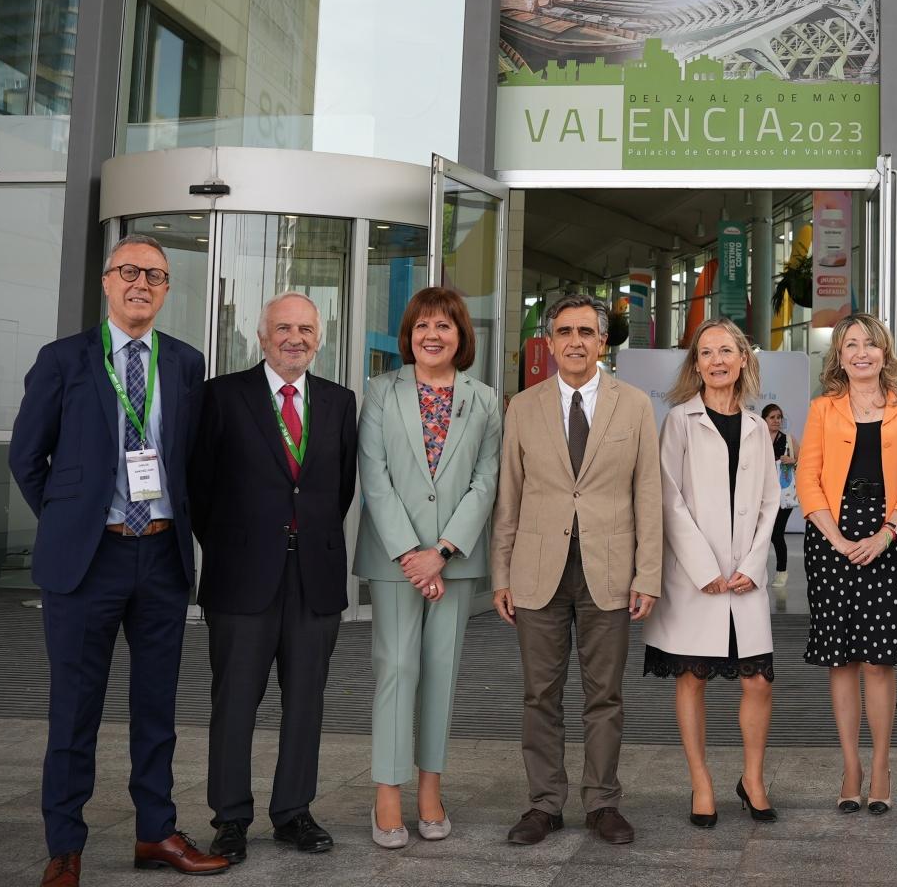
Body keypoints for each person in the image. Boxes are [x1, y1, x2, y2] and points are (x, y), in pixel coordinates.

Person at [9, 234, 229, 887]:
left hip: (160, 558)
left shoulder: (186, 364)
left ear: (166, 290)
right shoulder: (64, 360)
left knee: (156, 709)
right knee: (73, 710)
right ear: (107, 282)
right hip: (87, 563)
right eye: (129, 271)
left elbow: (192, 463)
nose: (141, 282)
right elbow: (27, 456)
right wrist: (69, 521)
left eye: (156, 275)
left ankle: (156, 832)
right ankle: (65, 847)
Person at [190, 292, 358, 861]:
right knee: (235, 700)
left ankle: (293, 812)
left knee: (306, 700)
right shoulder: (222, 396)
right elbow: (200, 487)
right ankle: (231, 817)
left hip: (314, 574)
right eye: (283, 328)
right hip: (242, 575)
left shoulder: (338, 401)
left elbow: (340, 489)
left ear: (320, 338)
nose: (295, 338)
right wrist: (236, 543)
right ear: (261, 338)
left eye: (306, 329)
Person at [491, 293, 663, 846]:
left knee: (604, 694)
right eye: (564, 332)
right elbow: (508, 499)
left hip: (609, 572)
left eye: (586, 332)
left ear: (603, 342)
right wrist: (501, 574)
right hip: (537, 571)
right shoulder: (522, 406)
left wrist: (648, 574)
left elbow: (648, 496)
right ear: (548, 342)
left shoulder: (634, 405)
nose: (575, 342)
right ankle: (543, 804)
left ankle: (602, 803)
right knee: (539, 694)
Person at [354, 286, 501, 849]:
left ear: (461, 336)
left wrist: (441, 551)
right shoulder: (380, 391)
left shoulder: (484, 400)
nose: (432, 336)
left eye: (444, 326)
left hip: (454, 560)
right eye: (421, 326)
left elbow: (485, 482)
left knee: (442, 673)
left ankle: (429, 791)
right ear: (408, 336)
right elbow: (375, 477)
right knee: (396, 670)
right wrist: (412, 556)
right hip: (395, 561)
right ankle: (387, 793)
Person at [641, 318, 781, 826]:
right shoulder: (679, 420)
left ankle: (752, 778)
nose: (717, 360)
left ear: (744, 359)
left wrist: (750, 564)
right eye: (706, 353)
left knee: (758, 682)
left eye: (727, 351)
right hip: (693, 577)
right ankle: (701, 782)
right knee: (692, 677)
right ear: (695, 364)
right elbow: (667, 497)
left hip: (744, 578)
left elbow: (770, 503)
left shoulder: (756, 428)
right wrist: (702, 567)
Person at [795, 312, 897, 815]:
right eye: (851, 345)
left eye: (870, 344)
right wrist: (834, 535)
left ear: (883, 352)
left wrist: (887, 533)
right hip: (830, 534)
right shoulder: (822, 408)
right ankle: (850, 766)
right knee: (842, 657)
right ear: (840, 356)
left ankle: (880, 767)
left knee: (879, 658)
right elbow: (808, 480)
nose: (861, 353)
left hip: (888, 537)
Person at [762, 403, 798, 589]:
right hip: (762, 495)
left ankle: (782, 572)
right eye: (772, 417)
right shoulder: (757, 439)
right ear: (764, 419)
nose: (776, 421)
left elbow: (803, 462)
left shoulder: (789, 440)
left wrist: (792, 460)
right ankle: (757, 573)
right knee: (760, 535)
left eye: (779, 417)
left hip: (784, 495)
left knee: (776, 533)